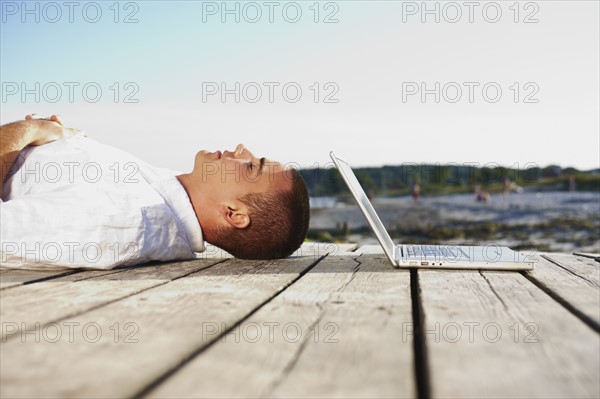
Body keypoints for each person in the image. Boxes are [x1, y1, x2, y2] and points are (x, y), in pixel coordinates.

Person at [0, 114, 310, 269]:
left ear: (233, 213)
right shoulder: (161, 194)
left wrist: (31, 131)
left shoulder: (127, 221)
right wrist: (63, 139)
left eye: (251, 167)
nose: (242, 149)